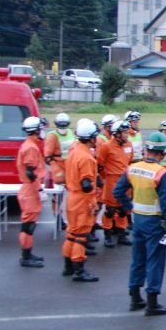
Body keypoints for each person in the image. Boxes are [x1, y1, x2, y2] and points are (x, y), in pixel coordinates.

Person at [113, 132, 166, 316]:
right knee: (155, 260)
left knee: (138, 258)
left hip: (138, 220)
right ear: (162, 153)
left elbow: (117, 192)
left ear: (147, 149)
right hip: (155, 222)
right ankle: (152, 302)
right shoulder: (161, 173)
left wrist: (130, 207)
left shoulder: (132, 168)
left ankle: (135, 297)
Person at [61, 118, 101, 282]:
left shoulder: (74, 150)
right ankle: (79, 269)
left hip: (72, 197)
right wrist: (93, 201)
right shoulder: (86, 157)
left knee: (71, 233)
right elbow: (86, 184)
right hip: (82, 199)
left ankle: (68, 266)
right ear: (90, 138)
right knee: (81, 235)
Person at [97, 120, 134, 248]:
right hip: (111, 180)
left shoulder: (129, 145)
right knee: (110, 210)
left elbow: (130, 162)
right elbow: (100, 165)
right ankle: (107, 235)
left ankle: (121, 233)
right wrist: (105, 178)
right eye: (124, 132)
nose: (127, 134)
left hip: (125, 180)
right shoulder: (106, 146)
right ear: (117, 134)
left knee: (123, 209)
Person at [16, 116, 46, 268]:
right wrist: (39, 189)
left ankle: (28, 253)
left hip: (29, 188)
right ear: (36, 130)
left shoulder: (29, 145)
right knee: (28, 225)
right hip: (30, 189)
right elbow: (30, 172)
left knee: (29, 224)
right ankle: (25, 257)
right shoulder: (31, 148)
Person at [44, 112, 74, 223]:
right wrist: (56, 169)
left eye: (65, 124)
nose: (63, 127)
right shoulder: (52, 136)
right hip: (59, 167)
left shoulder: (70, 133)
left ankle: (71, 218)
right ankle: (58, 217)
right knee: (58, 196)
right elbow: (48, 156)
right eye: (61, 125)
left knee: (74, 194)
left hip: (70, 166)